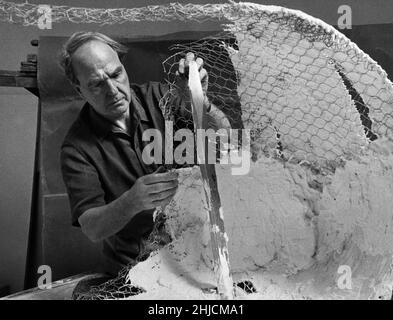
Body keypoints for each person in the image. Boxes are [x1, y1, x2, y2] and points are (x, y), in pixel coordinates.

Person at [59, 31, 221, 276]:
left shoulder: (161, 98)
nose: (112, 90)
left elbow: (225, 137)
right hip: (136, 268)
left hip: (198, 252)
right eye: (96, 84)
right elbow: (92, 227)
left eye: (115, 74)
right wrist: (131, 202)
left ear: (123, 67)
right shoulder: (77, 148)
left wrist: (201, 102)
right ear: (79, 89)